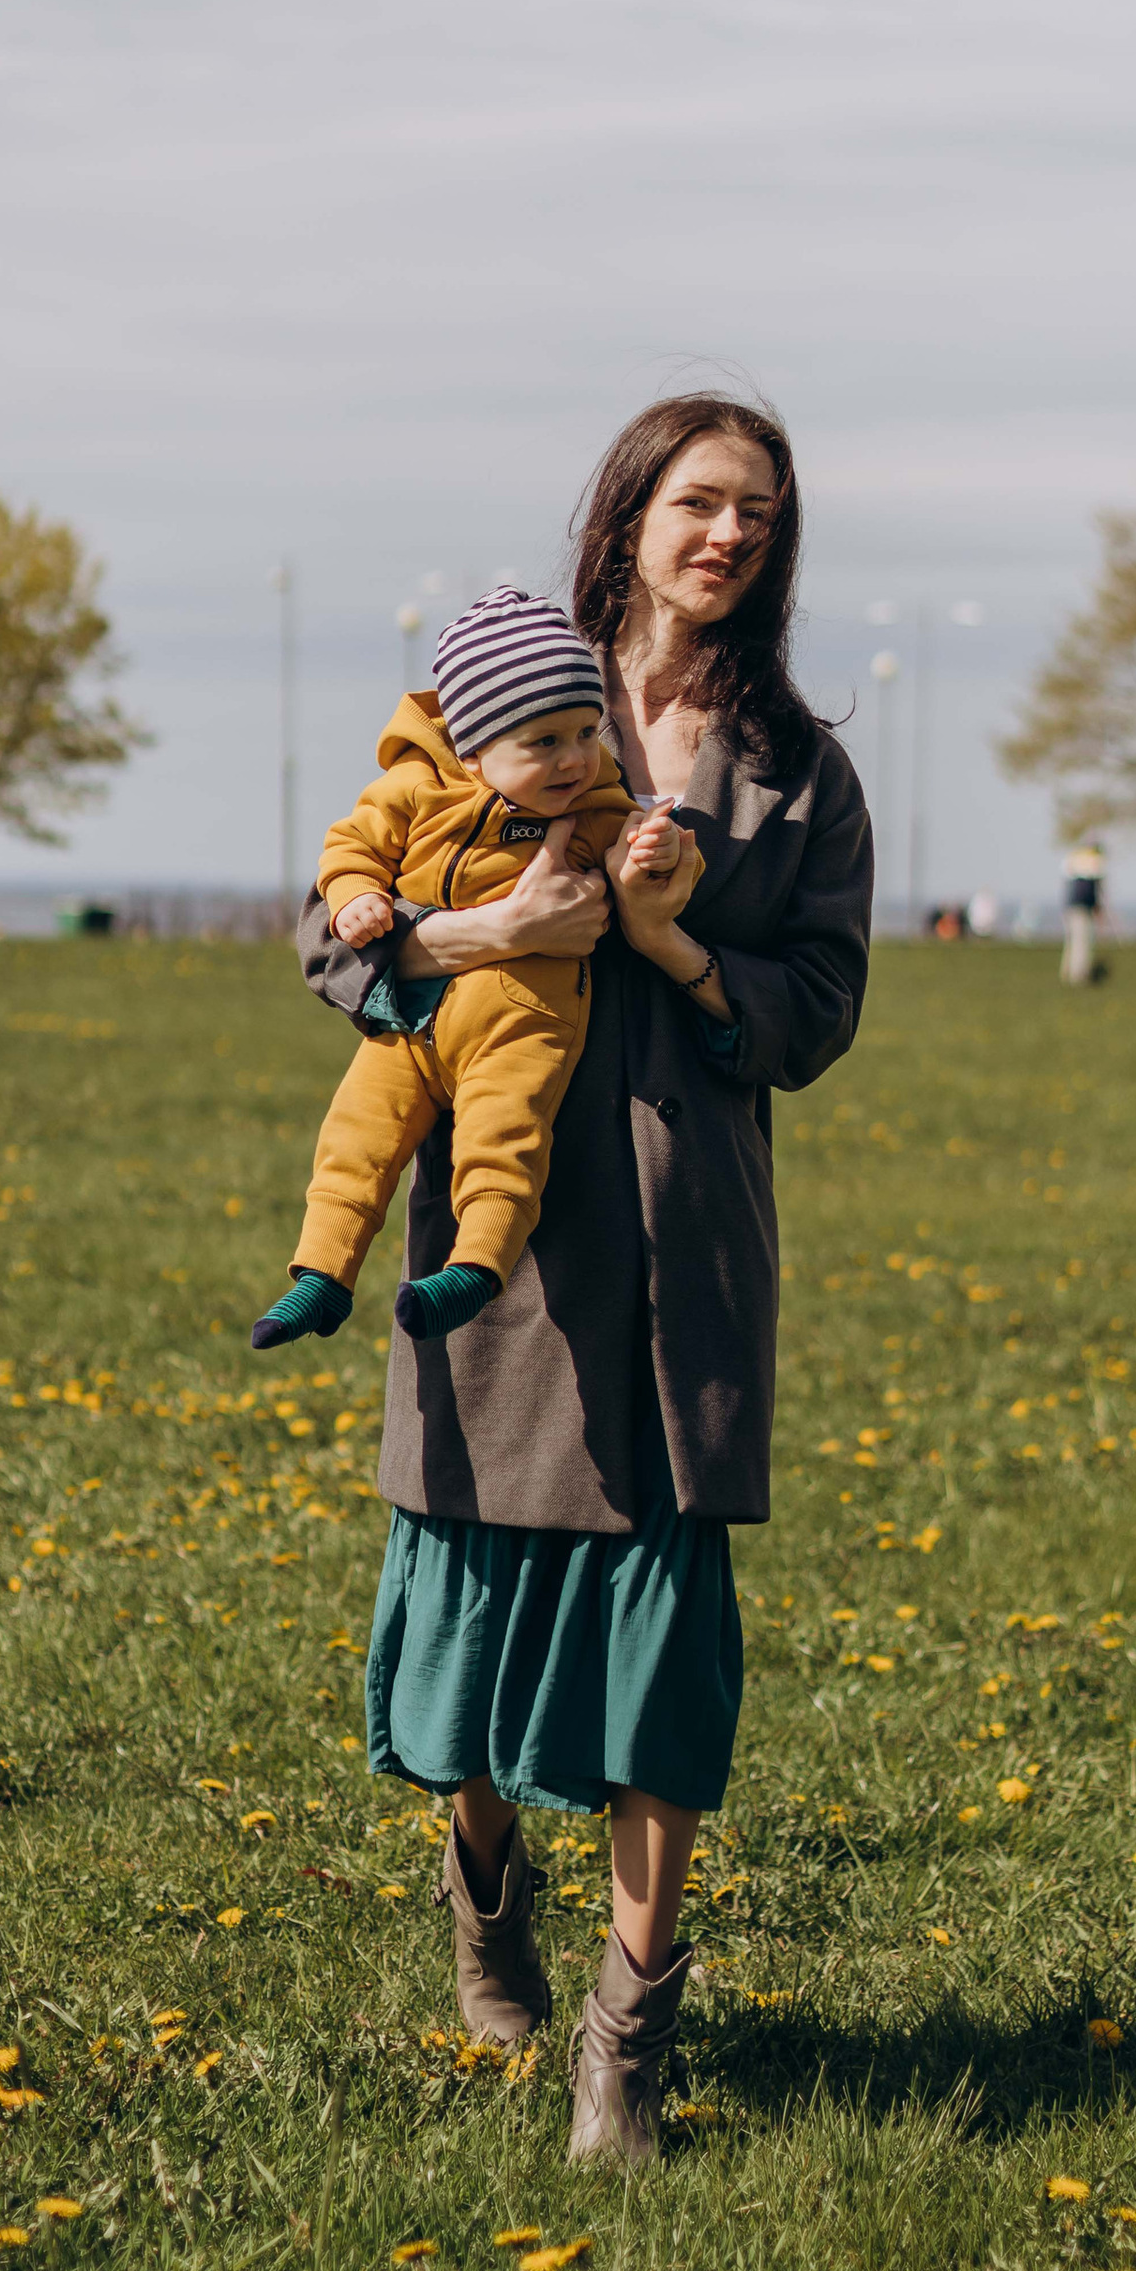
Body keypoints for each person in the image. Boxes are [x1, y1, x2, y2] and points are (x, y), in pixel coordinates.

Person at [298, 393, 872, 2162]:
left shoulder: (798, 768)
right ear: (629, 516)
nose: (729, 535)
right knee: (469, 1620)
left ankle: (625, 2045)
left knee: (663, 1654)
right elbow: (336, 939)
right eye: (700, 502)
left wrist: (672, 947)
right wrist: (492, 932)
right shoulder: (491, 692)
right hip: (503, 1248)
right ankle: (485, 1890)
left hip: (685, 1252)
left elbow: (819, 1011)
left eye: (758, 513)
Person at [250, 588, 670, 1350]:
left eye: (585, 731)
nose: (574, 758)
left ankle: (477, 1264)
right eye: (544, 741)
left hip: (524, 1011)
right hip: (410, 1014)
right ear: (473, 749)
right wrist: (355, 898)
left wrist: (656, 855)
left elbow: (650, 864)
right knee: (357, 1133)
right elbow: (352, 846)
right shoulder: (415, 789)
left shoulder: (594, 804)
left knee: (506, 1134)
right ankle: (321, 1274)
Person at [1062, 844, 1106, 986]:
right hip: (1082, 908)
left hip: (1072, 907)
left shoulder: (1075, 865)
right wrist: (1096, 906)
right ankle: (1078, 976)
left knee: (1072, 941)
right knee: (1081, 942)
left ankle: (1068, 973)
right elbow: (1090, 893)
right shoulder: (1091, 870)